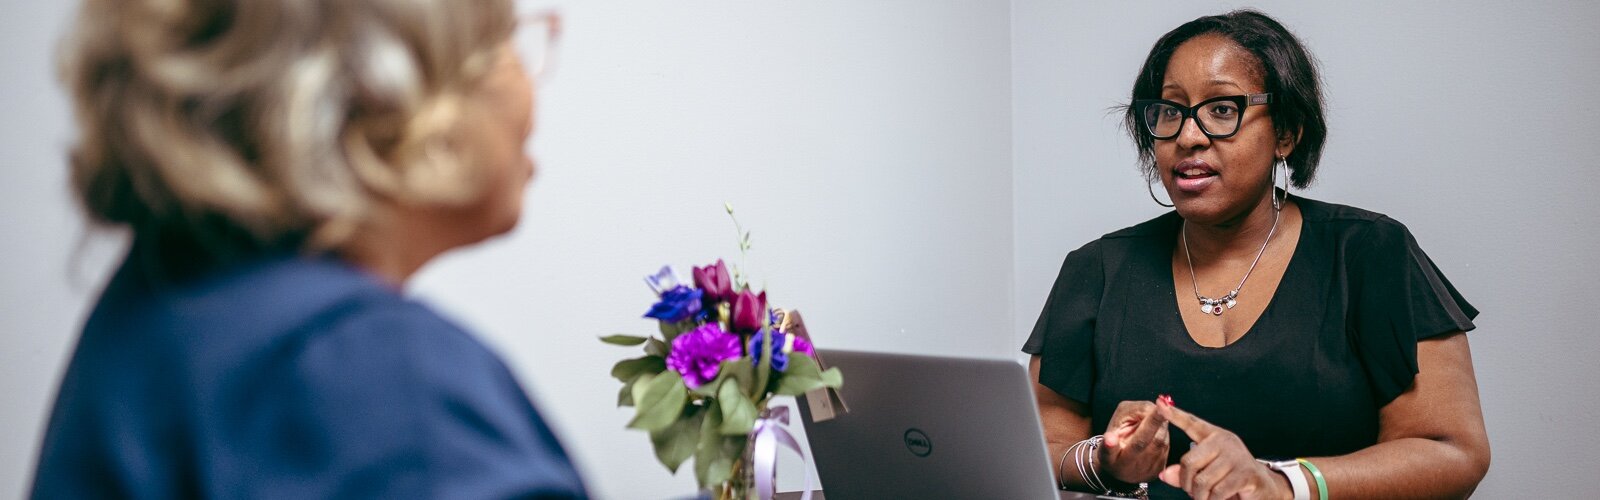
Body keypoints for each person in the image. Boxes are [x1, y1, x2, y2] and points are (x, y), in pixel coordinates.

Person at [31, 0, 587, 497]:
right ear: (387, 94)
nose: (528, 81)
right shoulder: (366, 376)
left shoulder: (163, 303)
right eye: (504, 40)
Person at [1023, 10, 1489, 500]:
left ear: (1287, 132)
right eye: (1169, 111)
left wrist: (1281, 483)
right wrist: (1105, 458)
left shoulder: (1368, 253)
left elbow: (1452, 450)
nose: (1188, 136)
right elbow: (1040, 446)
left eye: (1223, 109)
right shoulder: (1096, 269)